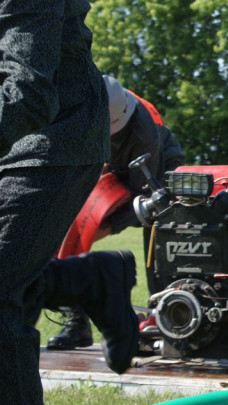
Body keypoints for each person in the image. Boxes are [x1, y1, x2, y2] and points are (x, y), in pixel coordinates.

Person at [0, 0, 138, 405]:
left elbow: (25, 93)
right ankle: (93, 278)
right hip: (17, 142)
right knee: (13, 280)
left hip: (50, 145)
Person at [47, 75, 185, 351]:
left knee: (157, 230)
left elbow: (140, 198)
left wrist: (103, 226)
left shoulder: (145, 134)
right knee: (69, 237)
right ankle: (77, 324)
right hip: (112, 172)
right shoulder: (85, 106)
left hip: (155, 176)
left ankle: (164, 318)